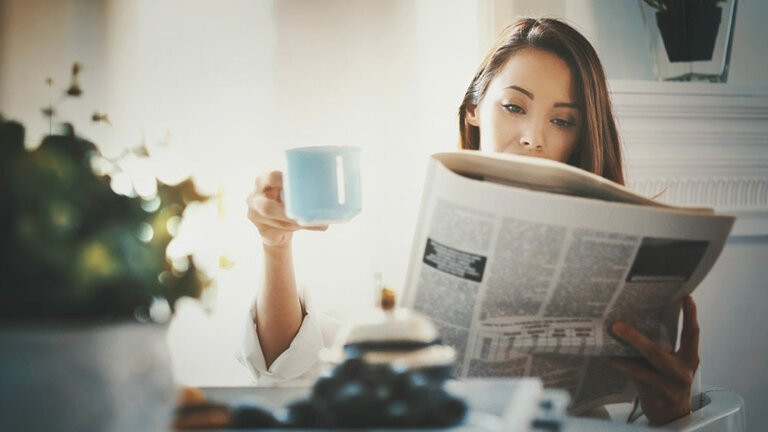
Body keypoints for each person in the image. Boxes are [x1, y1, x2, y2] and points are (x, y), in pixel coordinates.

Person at [241, 17, 699, 426]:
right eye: (514, 107)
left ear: (582, 135)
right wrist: (275, 246)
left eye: (562, 121)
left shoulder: (626, 250)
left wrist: (674, 414)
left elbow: (664, 406)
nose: (532, 138)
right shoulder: (400, 230)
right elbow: (288, 371)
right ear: (474, 109)